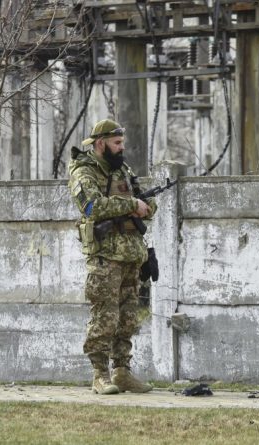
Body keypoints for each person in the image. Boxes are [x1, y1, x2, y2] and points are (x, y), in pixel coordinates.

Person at [68, 119, 156, 395]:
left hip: (131, 255)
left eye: (122, 143)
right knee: (104, 316)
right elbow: (91, 206)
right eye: (116, 143)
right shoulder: (84, 172)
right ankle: (99, 374)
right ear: (100, 144)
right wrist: (131, 205)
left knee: (128, 317)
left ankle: (121, 371)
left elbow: (149, 204)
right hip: (105, 257)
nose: (121, 148)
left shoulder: (124, 171)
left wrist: (143, 207)